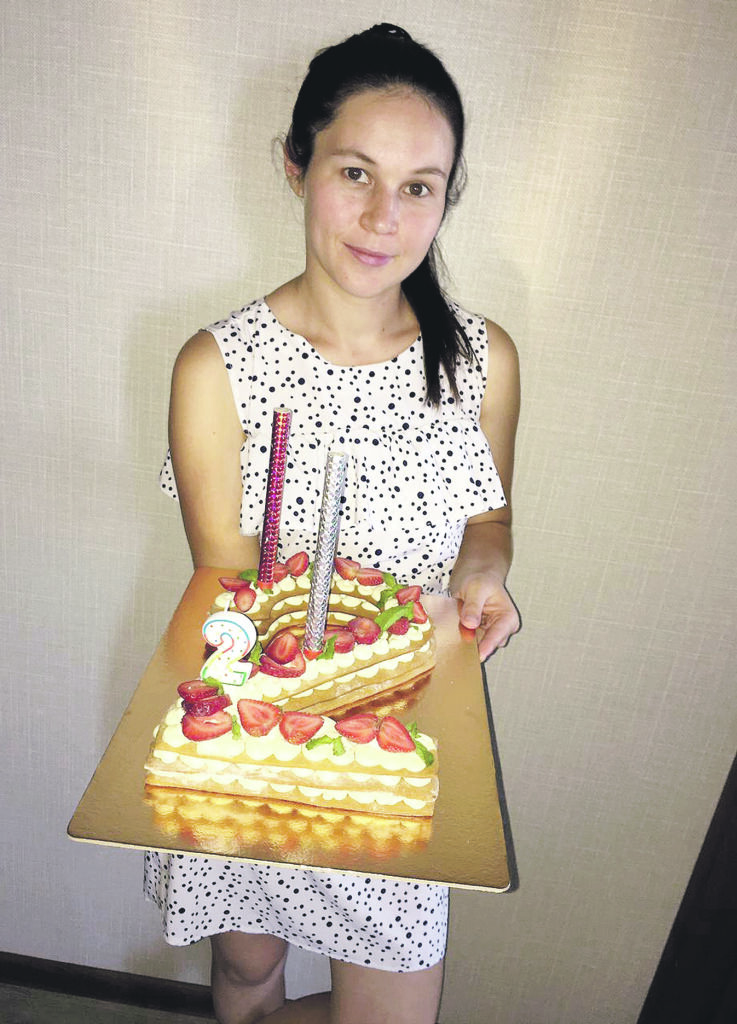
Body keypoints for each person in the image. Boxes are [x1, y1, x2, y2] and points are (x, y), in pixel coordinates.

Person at [147, 23, 521, 1024]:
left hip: (394, 749)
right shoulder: (216, 368)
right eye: (354, 171)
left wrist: (483, 572)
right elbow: (228, 585)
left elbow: (489, 517)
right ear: (296, 166)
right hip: (259, 742)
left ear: (445, 198)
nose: (382, 216)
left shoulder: (480, 359)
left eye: (417, 186)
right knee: (246, 978)